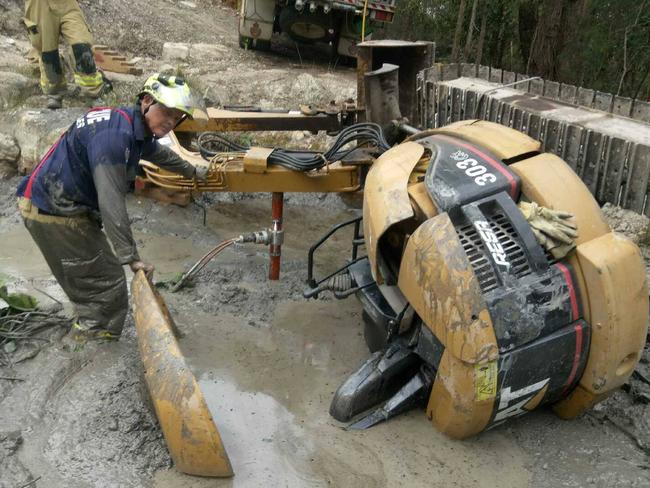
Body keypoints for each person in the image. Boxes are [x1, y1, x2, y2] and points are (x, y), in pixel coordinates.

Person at [16, 73, 208, 342]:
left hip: (60, 203)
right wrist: (131, 256)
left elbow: (157, 153)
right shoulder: (114, 138)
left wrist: (192, 171)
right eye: (167, 112)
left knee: (96, 274)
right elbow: (111, 201)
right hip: (53, 210)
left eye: (177, 117)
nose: (171, 121)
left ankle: (92, 327)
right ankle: (92, 340)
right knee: (106, 284)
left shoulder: (128, 123)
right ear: (147, 101)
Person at [23, 0, 106, 109]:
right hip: (39, 5)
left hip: (67, 4)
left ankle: (93, 94)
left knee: (81, 46)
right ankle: (54, 93)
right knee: (48, 52)